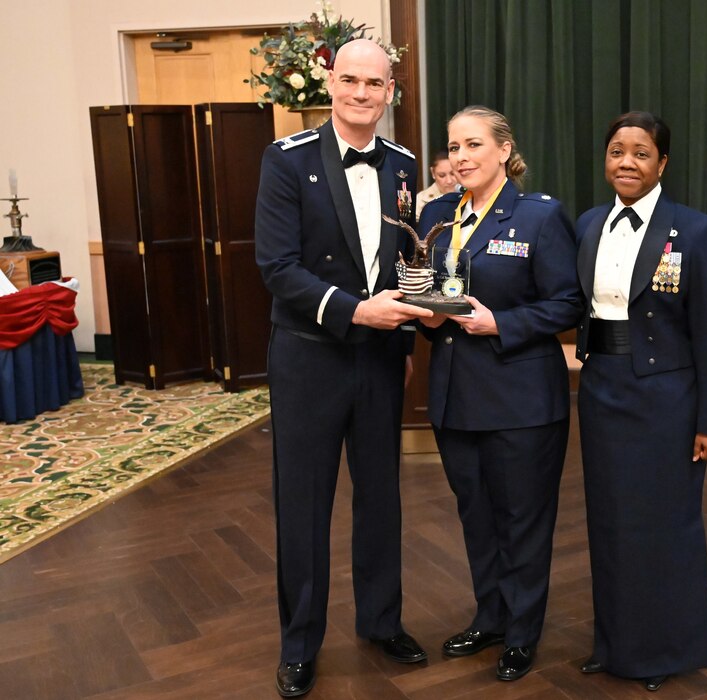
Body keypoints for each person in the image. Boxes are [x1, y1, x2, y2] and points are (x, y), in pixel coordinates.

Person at [255, 39, 434, 698]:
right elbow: (277, 268)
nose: (362, 94)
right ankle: (300, 643)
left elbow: (411, 262)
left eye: (374, 84)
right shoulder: (285, 160)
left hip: (383, 359)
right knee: (303, 505)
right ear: (331, 81)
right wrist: (358, 313)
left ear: (391, 91)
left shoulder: (405, 165)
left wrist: (416, 326)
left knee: (381, 497)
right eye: (350, 81)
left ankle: (382, 621)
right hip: (310, 356)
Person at [416, 106, 582, 682]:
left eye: (472, 145)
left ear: (504, 151)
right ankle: (489, 615)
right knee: (477, 516)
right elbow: (427, 288)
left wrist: (502, 323)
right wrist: (425, 316)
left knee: (522, 519)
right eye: (453, 146)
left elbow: (567, 303)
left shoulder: (539, 217)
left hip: (520, 399)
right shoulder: (437, 215)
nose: (460, 156)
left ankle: (522, 631)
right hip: (454, 395)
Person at [574, 111, 707, 692]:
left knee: (664, 526)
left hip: (666, 399)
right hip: (602, 391)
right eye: (617, 151)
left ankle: (663, 650)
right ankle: (612, 644)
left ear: (662, 164)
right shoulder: (589, 223)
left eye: (641, 153)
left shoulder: (694, 230)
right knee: (610, 524)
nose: (627, 162)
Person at [416, 150, 458, 219]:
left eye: (453, 174)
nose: (449, 181)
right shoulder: (421, 201)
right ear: (433, 173)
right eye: (442, 175)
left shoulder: (472, 194)